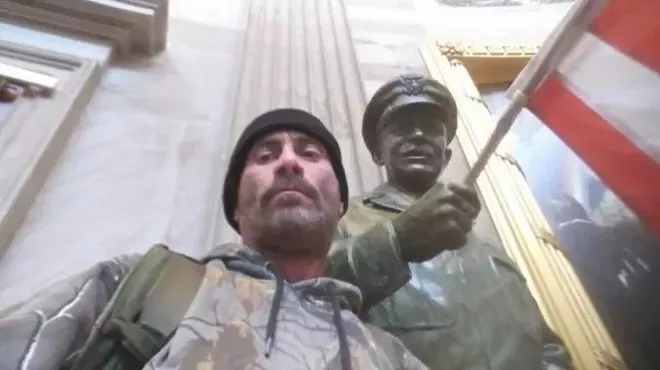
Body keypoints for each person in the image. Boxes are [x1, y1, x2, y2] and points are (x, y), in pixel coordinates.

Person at [0, 108, 428, 370]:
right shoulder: (156, 285)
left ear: (340, 206)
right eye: (265, 156)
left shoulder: (388, 355)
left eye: (310, 154)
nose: (288, 164)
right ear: (236, 209)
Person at [326, 75, 573, 370]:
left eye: (431, 129)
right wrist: (397, 240)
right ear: (378, 152)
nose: (418, 135)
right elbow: (303, 297)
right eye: (402, 128)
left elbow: (547, 347)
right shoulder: (344, 223)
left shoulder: (493, 254)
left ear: (446, 156)